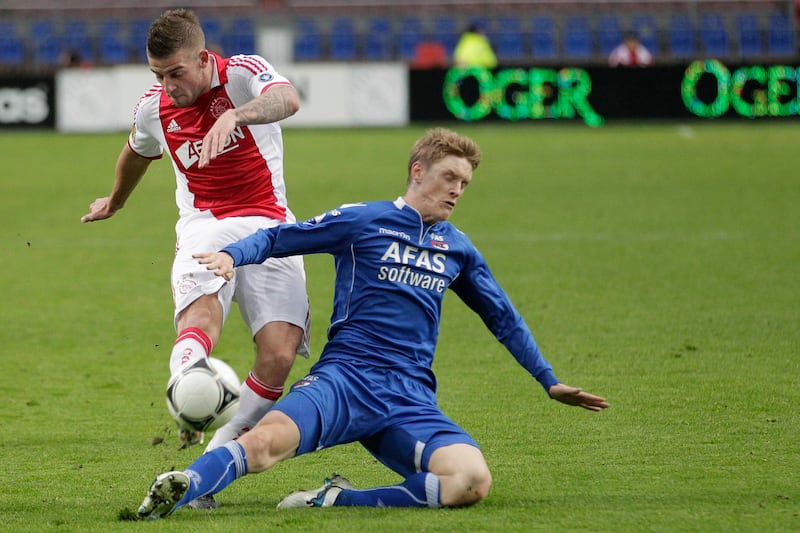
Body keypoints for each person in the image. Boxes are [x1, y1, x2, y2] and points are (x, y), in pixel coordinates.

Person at [135, 128, 610, 519]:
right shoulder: (365, 221)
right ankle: (180, 486)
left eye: (464, 184)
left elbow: (503, 318)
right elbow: (283, 236)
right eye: (449, 178)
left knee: (471, 481)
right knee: (261, 446)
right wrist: (230, 255)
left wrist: (549, 381)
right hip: (343, 380)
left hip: (409, 397)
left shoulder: (458, 249)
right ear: (417, 171)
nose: (456, 191)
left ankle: (334, 500)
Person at [80, 8, 310, 507]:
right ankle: (190, 393)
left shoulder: (243, 73)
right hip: (204, 226)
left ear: (203, 59)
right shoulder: (153, 108)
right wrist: (114, 202)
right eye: (158, 75)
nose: (169, 85)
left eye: (176, 72)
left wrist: (236, 114)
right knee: (200, 318)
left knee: (278, 354)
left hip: (270, 222)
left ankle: (211, 462)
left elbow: (288, 98)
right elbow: (136, 152)